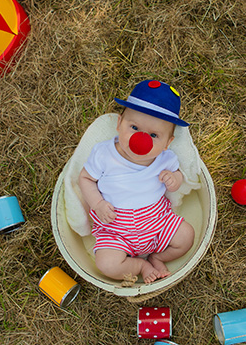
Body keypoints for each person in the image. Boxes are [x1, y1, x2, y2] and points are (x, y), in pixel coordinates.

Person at [78, 80, 195, 283]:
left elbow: (179, 173)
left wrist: (175, 179)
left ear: (168, 143)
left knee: (187, 236)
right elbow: (85, 178)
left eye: (153, 135)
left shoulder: (165, 158)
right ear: (119, 123)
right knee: (106, 264)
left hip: (157, 223)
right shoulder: (104, 154)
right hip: (115, 228)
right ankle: (140, 265)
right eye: (134, 127)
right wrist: (97, 204)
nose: (141, 140)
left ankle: (156, 256)